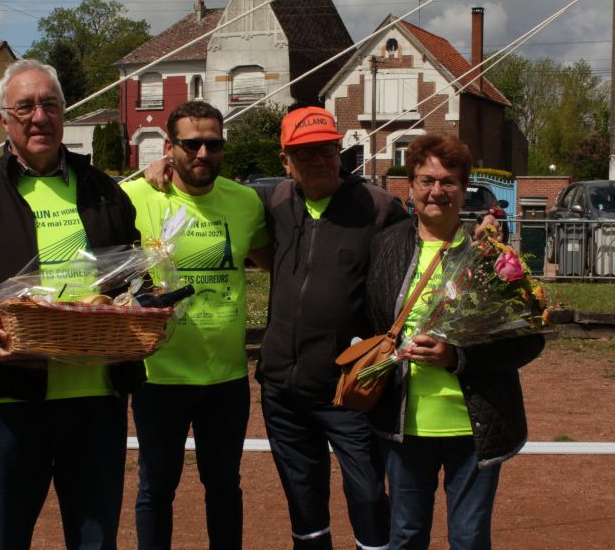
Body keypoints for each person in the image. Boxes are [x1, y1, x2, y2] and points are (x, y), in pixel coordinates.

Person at [0, 59, 141, 550]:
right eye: (25, 106)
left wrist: (143, 302)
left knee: (96, 541)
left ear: (63, 113)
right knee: (3, 540)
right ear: (4, 120)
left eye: (50, 104)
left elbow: (135, 279)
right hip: (8, 403)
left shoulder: (105, 192)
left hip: (95, 400)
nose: (39, 117)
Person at [365, 133, 544, 550]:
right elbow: (367, 321)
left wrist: (456, 356)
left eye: (449, 181)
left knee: (468, 539)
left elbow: (528, 341)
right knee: (406, 536)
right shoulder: (385, 248)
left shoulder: (493, 257)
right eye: (426, 180)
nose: (437, 191)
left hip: (473, 425)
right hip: (404, 425)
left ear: (465, 189)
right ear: (409, 187)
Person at [253, 106, 410, 550]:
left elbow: (419, 261)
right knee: (304, 504)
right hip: (283, 390)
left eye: (326, 149)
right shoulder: (276, 202)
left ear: (340, 151)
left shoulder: (379, 210)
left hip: (350, 390)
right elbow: (211, 188)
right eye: (304, 153)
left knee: (366, 496)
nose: (318, 160)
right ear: (286, 160)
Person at [121, 100, 271, 550]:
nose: (203, 153)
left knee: (224, 486)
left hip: (225, 377)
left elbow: (272, 259)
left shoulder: (245, 202)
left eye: (213, 143)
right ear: (170, 147)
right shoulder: (136, 197)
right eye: (191, 144)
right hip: (158, 375)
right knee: (156, 489)